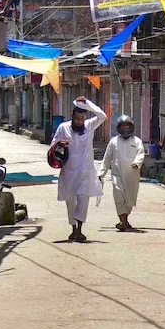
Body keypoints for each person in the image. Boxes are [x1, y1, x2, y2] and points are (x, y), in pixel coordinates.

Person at [50, 97, 107, 242]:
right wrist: (59, 143)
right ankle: (74, 229)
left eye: (82, 119)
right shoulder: (63, 127)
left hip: (85, 172)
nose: (79, 122)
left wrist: (87, 103)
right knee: (71, 202)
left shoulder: (89, 126)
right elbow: (52, 145)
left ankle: (80, 229)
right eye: (77, 119)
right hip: (69, 172)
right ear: (72, 118)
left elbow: (103, 116)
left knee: (83, 200)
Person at [100, 115, 146, 232]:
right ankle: (122, 221)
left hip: (132, 175)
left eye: (127, 125)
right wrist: (101, 174)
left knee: (130, 199)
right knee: (118, 195)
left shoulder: (137, 141)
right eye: (122, 125)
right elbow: (107, 158)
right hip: (117, 174)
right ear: (118, 127)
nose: (125, 128)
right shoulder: (113, 141)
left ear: (131, 126)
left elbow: (141, 154)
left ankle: (125, 220)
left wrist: (137, 163)